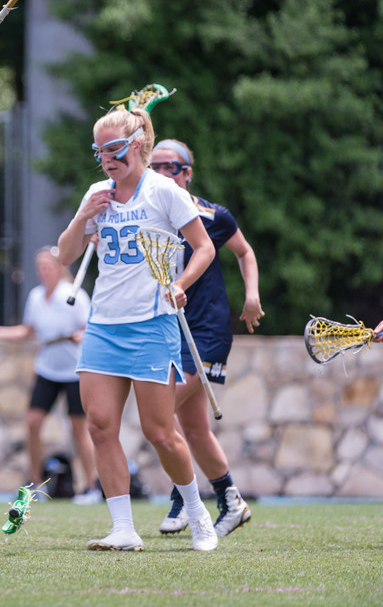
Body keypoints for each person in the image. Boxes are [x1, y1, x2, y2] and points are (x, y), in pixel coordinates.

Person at [56, 106, 219, 552]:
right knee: (100, 425)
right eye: (99, 151)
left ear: (137, 146)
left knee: (160, 431)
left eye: (113, 149)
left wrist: (181, 284)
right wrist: (82, 216)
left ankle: (198, 513)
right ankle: (123, 528)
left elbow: (203, 249)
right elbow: (65, 255)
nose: (106, 159)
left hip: (152, 324)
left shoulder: (165, 192)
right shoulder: (97, 193)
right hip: (104, 325)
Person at [149, 138, 261, 537]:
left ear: (188, 172)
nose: (164, 173)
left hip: (207, 330)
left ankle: (184, 500)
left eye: (172, 167)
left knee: (159, 414)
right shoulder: (147, 216)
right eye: (156, 166)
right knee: (192, 429)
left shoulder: (210, 215)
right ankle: (231, 502)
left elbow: (244, 252)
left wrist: (251, 296)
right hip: (168, 329)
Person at [0, 246, 99, 503]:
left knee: (79, 429)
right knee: (33, 423)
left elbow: (91, 328)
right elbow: (27, 331)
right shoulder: (36, 296)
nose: (43, 272)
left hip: (74, 371)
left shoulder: (74, 295)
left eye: (48, 267)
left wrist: (81, 336)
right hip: (48, 370)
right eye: (40, 268)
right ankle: (33, 483)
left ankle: (90, 486)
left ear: (59, 268)